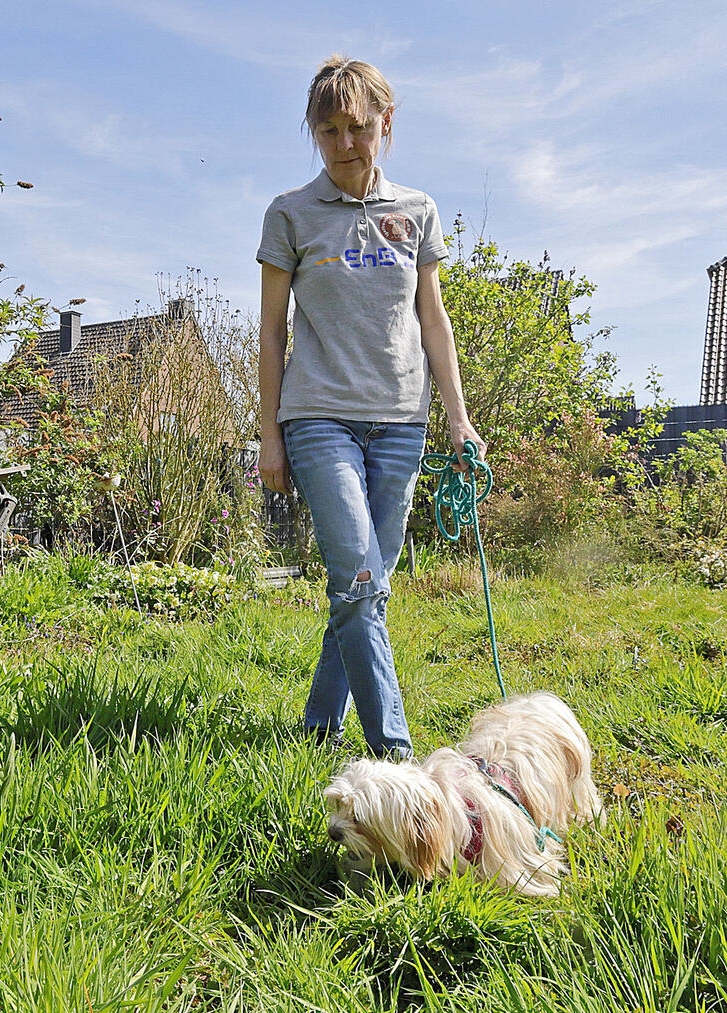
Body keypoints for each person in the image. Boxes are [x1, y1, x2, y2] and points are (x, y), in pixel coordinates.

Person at [257, 55, 485, 759]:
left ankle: (319, 728)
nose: (347, 144)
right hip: (318, 415)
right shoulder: (290, 214)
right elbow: (271, 331)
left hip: (401, 420)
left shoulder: (416, 211)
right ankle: (396, 755)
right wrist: (269, 434)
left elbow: (434, 320)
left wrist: (458, 416)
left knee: (367, 590)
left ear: (386, 123)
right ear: (314, 134)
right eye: (329, 131)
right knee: (357, 579)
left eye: (358, 127)